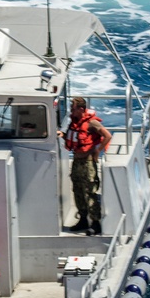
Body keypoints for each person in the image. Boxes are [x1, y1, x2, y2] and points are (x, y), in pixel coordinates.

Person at [62, 95, 111, 235]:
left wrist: (97, 151)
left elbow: (107, 136)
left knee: (90, 192)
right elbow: (75, 137)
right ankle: (83, 219)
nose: (71, 111)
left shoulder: (92, 123)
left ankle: (95, 223)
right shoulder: (75, 122)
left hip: (88, 162)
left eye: (73, 108)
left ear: (81, 109)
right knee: (77, 190)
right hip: (77, 161)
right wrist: (63, 135)